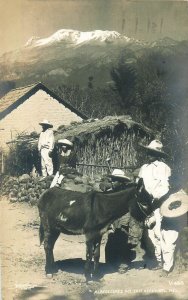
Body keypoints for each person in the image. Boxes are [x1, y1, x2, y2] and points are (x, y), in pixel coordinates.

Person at [138, 139, 179, 276]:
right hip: (149, 205)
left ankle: (167, 267)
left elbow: (165, 186)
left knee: (166, 234)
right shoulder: (144, 168)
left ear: (158, 154)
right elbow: (140, 185)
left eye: (152, 152)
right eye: (148, 151)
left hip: (163, 203)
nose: (149, 154)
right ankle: (159, 260)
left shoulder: (163, 167)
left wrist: (156, 199)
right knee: (153, 233)